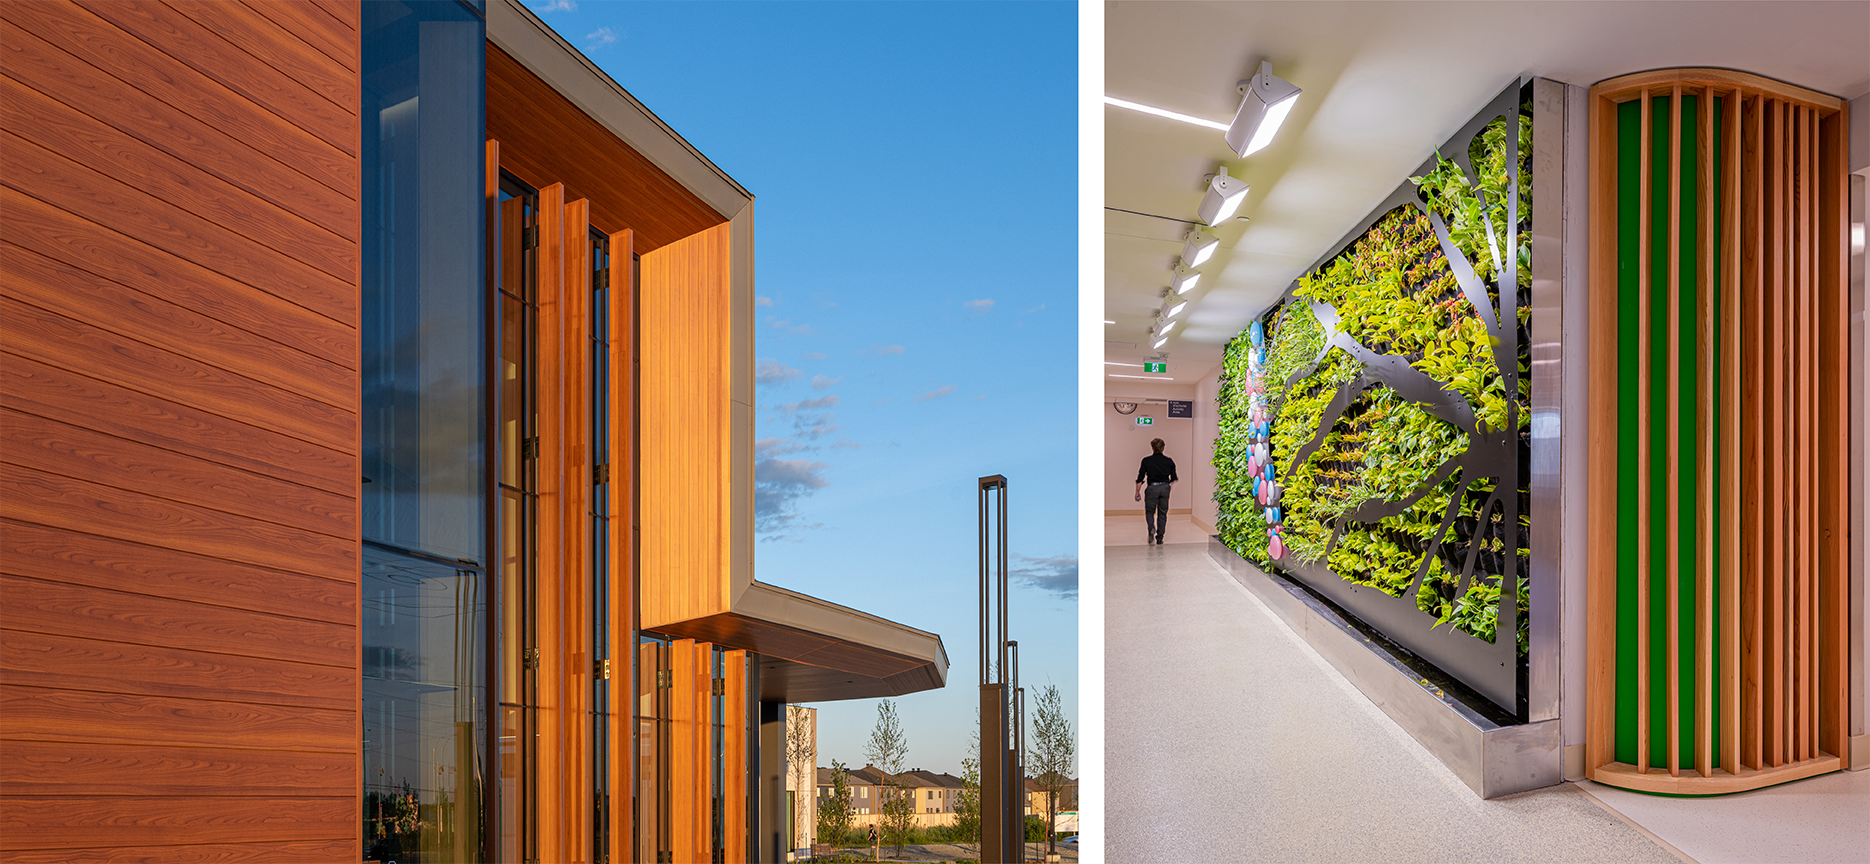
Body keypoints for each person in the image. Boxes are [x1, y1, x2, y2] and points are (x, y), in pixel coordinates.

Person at [1134, 437, 1176, 544]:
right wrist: (1168, 487)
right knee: (1162, 513)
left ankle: (1151, 528)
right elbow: (1173, 478)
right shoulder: (1169, 461)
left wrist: (1137, 492)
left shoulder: (1146, 460)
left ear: (1152, 448)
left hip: (1152, 488)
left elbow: (1140, 478)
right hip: (1165, 487)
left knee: (1150, 511)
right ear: (1163, 448)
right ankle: (1160, 537)